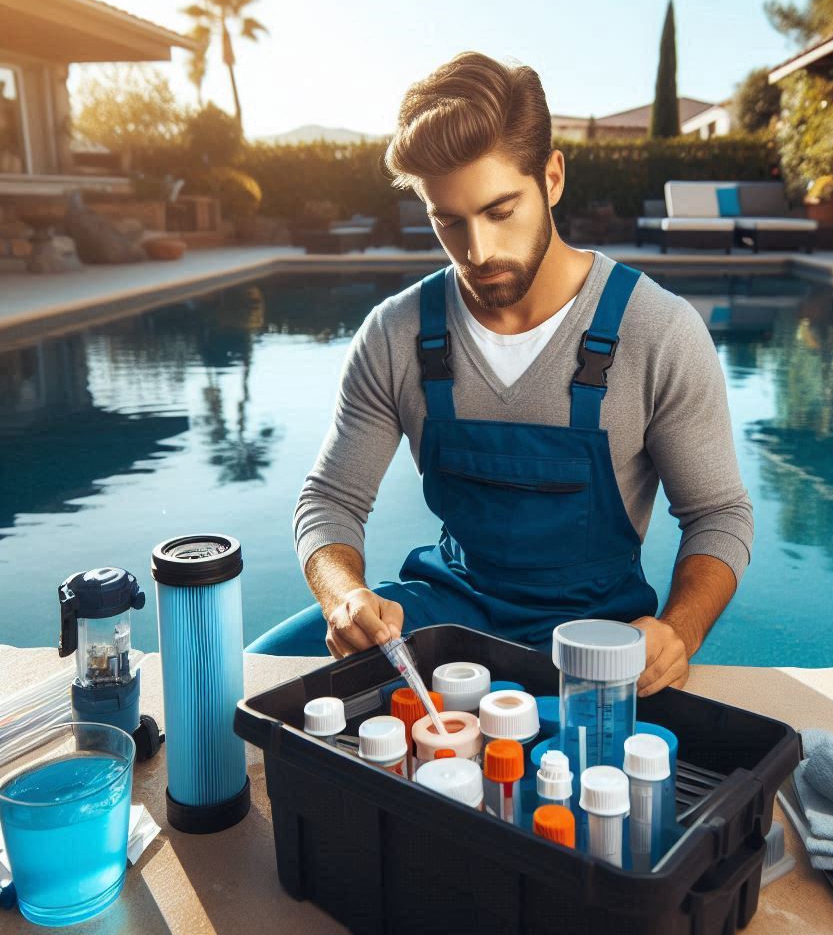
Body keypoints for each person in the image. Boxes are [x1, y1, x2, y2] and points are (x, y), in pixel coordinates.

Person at [247, 52, 753, 695]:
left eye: (500, 211)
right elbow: (330, 500)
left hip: (596, 643)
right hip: (439, 622)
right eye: (448, 221)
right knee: (248, 694)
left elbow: (718, 514)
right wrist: (344, 595)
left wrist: (679, 631)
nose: (476, 252)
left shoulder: (658, 331)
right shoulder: (395, 334)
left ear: (552, 177)